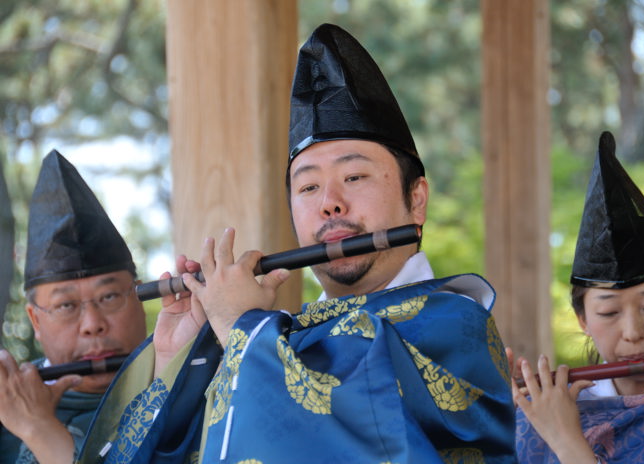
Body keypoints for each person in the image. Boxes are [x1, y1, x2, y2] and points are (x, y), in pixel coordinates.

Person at [77, 23, 516, 463]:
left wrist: (241, 326)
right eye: (308, 188)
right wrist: (176, 361)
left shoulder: (454, 323)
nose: (330, 204)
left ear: (416, 200)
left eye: (355, 176)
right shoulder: (277, 337)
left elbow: (363, 436)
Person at [510, 132, 644, 463]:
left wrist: (566, 441)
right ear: (582, 319)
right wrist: (488, 418)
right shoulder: (542, 413)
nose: (633, 332)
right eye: (609, 313)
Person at [0, 150, 147, 464]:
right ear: (35, 321)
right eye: (66, 305)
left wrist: (39, 429)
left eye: (109, 297)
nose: (92, 323)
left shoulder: (191, 388)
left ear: (139, 296)